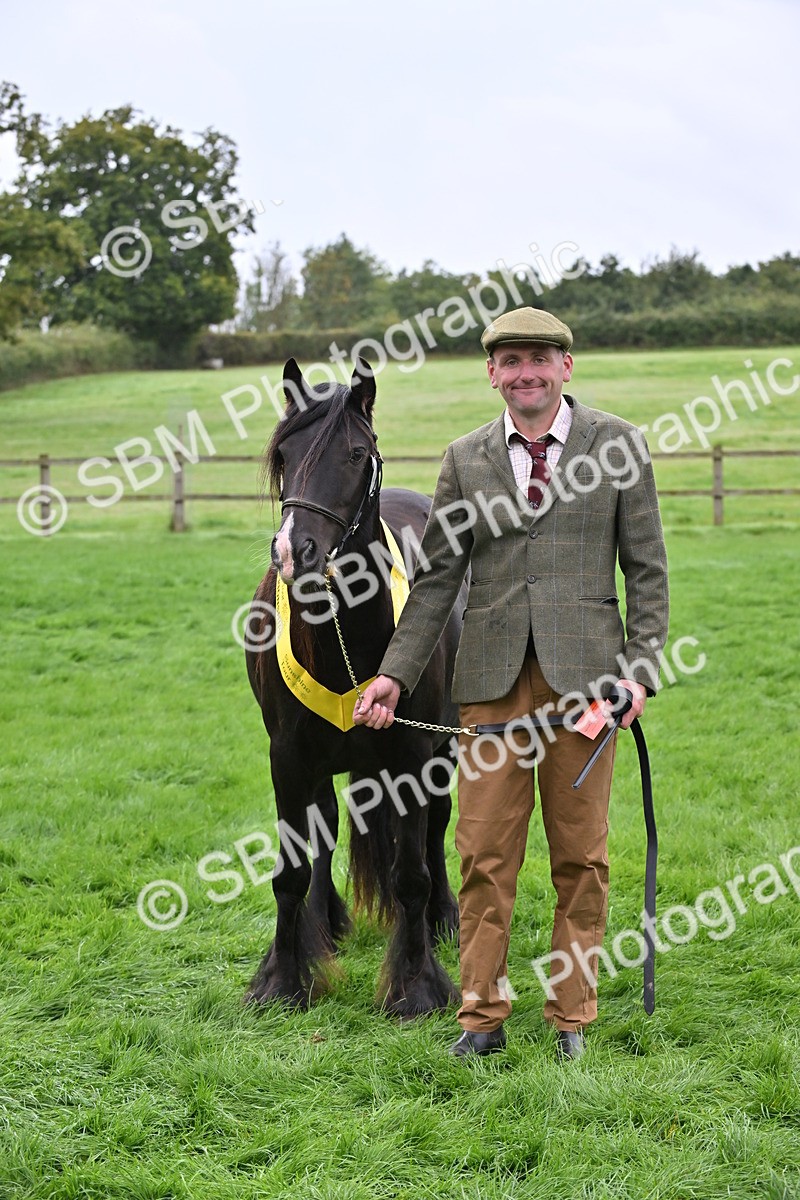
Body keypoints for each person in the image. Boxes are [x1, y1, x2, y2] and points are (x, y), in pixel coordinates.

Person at [353, 307, 669, 1061]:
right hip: (490, 686)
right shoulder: (465, 458)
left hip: (587, 688)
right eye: (511, 360)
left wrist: (640, 671)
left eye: (542, 358)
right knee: (484, 855)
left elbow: (648, 574)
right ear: (491, 372)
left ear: (567, 367)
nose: (527, 371)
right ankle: (481, 1015)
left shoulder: (618, 445)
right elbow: (434, 584)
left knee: (580, 858)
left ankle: (571, 1018)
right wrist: (394, 677)